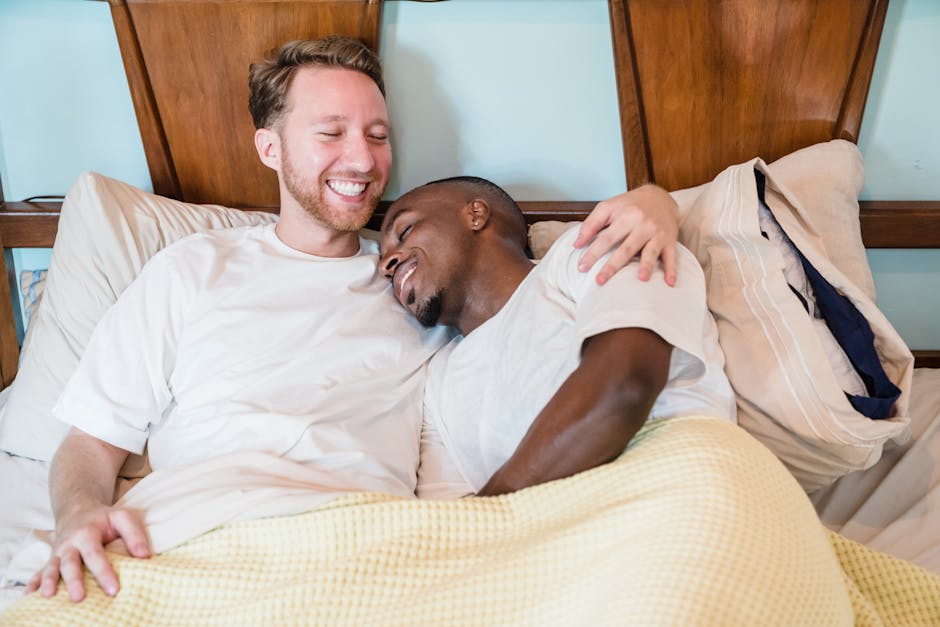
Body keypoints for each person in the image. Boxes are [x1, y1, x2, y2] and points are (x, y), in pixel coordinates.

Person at [27, 36, 681, 602]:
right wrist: (78, 513)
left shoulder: (412, 279)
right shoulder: (190, 269)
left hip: (362, 550)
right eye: (331, 132)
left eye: (377, 134)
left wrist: (659, 202)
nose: (363, 160)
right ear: (270, 147)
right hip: (182, 534)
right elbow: (88, 442)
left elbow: (525, 296)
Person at [378, 176, 735, 497]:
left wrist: (496, 509)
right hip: (555, 551)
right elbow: (455, 517)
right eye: (383, 258)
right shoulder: (438, 383)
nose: (386, 263)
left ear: (475, 214)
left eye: (405, 230)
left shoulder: (594, 248)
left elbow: (625, 385)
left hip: (675, 496)